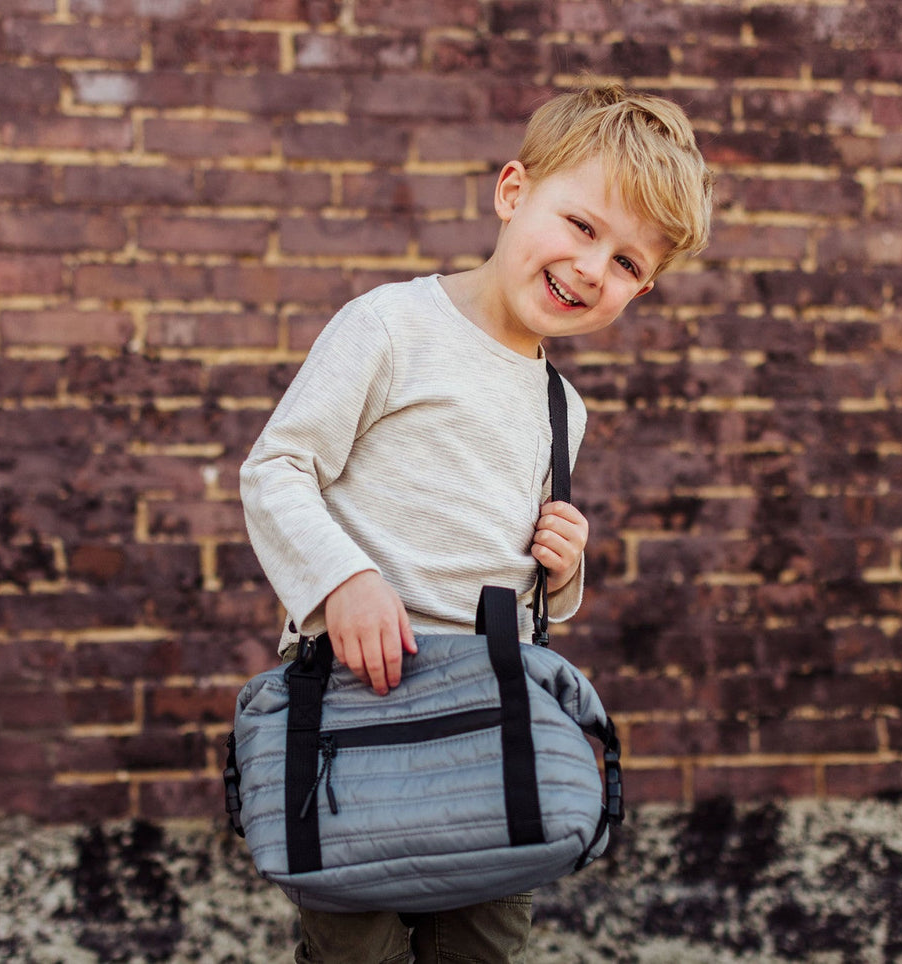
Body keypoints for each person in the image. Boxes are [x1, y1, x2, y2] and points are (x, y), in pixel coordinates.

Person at [239, 83, 713, 964]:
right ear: (510, 192)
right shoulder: (390, 326)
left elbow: (520, 592)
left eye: (626, 264)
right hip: (356, 706)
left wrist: (563, 574)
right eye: (580, 226)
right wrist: (342, 580)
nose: (590, 269)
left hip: (489, 722)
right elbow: (277, 469)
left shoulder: (558, 407)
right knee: (355, 948)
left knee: (486, 947)